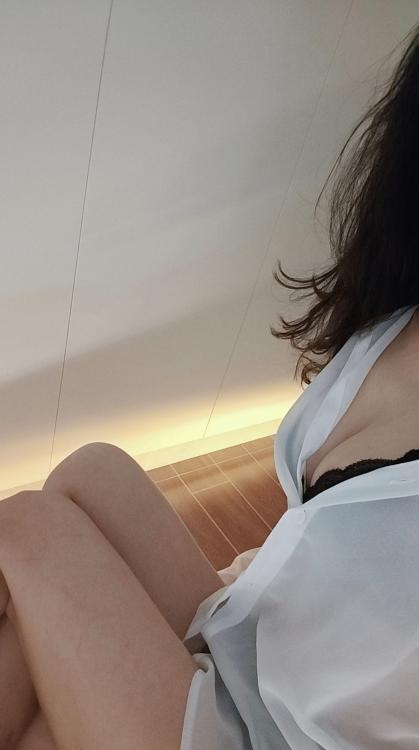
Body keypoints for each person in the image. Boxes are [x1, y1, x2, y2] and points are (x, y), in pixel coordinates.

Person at [2, 21, 419, 750]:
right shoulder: (395, 317)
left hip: (280, 734)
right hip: (263, 651)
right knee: (92, 471)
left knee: (28, 532)